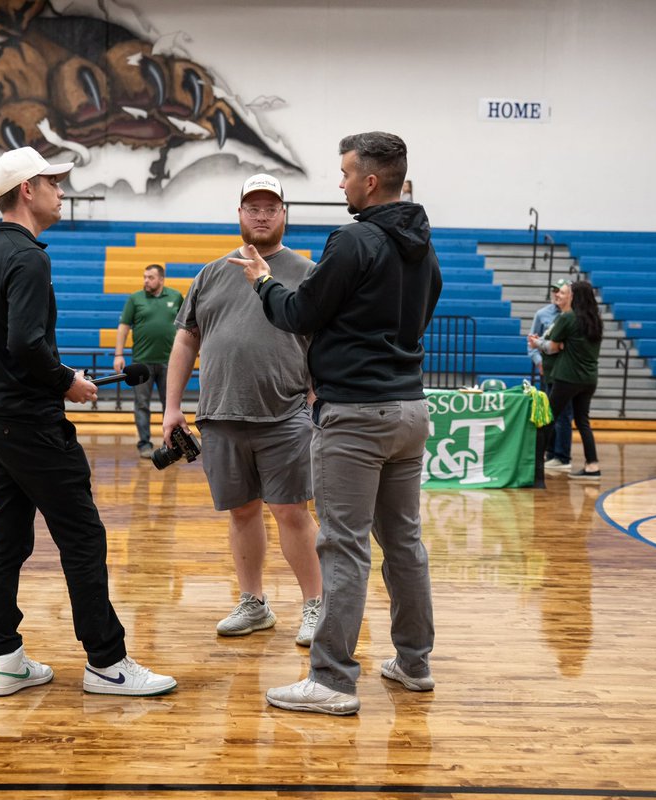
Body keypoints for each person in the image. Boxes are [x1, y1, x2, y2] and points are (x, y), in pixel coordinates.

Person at [232, 132, 442, 716]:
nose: (341, 182)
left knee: (343, 547)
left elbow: (298, 312)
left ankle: (331, 679)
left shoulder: (352, 241)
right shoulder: (424, 247)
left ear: (370, 181)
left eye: (346, 172)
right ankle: (414, 663)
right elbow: (420, 316)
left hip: (355, 416)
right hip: (409, 410)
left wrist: (262, 281)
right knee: (404, 542)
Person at [0, 146, 175, 698]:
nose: (62, 190)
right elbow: (25, 343)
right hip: (31, 426)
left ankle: (4, 657)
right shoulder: (29, 256)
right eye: (53, 182)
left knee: (6, 540)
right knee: (83, 535)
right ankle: (107, 660)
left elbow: (12, 348)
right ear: (27, 190)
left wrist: (53, 373)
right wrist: (66, 382)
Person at [161, 173, 324, 648]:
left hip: (286, 414)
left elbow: (319, 344)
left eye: (270, 206)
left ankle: (315, 603)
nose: (261, 214)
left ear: (284, 214)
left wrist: (318, 404)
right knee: (241, 514)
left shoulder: (306, 272)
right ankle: (253, 602)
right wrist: (172, 408)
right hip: (220, 415)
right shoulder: (211, 273)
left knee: (292, 512)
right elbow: (186, 339)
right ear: (239, 214)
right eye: (252, 206)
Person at [529, 281, 603, 480]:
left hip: (568, 377)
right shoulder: (596, 320)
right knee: (582, 422)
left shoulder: (568, 318)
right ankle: (592, 465)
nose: (567, 295)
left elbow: (552, 346)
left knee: (548, 418)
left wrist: (536, 343)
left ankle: (534, 465)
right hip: (589, 378)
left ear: (575, 296)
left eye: (569, 293)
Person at [113, 264, 183, 458]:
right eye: (144, 277)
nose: (146, 281)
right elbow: (123, 327)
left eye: (150, 277)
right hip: (141, 362)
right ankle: (144, 444)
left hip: (170, 362)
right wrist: (119, 355)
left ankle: (169, 444)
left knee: (169, 404)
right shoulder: (135, 299)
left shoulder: (175, 297)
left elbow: (185, 327)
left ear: (161, 279)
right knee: (142, 403)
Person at [528, 279, 574, 470]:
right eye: (554, 290)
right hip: (547, 370)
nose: (556, 294)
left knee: (564, 414)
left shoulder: (571, 316)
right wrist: (539, 362)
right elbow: (531, 342)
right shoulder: (542, 314)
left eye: (560, 291)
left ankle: (563, 455)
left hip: (564, 371)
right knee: (547, 412)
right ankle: (550, 453)